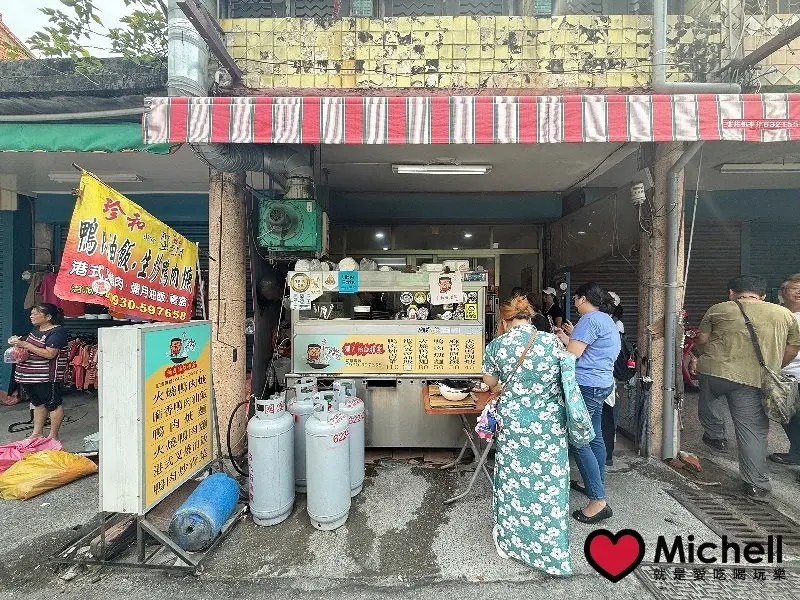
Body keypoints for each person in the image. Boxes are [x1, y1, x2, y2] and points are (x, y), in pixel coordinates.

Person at [482, 295, 586, 576]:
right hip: (549, 426)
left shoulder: (497, 346)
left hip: (515, 427)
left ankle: (511, 543)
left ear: (505, 320)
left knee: (513, 483)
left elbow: (489, 382)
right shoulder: (551, 341)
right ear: (529, 317)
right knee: (549, 485)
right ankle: (551, 550)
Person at [691, 275, 800, 502]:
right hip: (753, 380)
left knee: (708, 396)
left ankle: (715, 435)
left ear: (732, 293)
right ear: (763, 296)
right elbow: (793, 347)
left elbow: (702, 339)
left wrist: (701, 352)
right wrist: (775, 366)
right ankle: (756, 486)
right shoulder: (784, 315)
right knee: (752, 431)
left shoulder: (719, 308)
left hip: (716, 372)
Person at [554, 282, 620, 523]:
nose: (574, 303)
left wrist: (562, 343)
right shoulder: (605, 320)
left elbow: (573, 354)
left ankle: (598, 500)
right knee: (595, 436)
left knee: (579, 440)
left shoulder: (589, 320)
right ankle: (591, 481)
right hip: (602, 383)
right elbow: (590, 349)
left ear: (582, 299)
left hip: (587, 384)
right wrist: (568, 338)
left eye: (575, 298)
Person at [9, 303, 69, 440]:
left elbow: (50, 354)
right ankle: (37, 433)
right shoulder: (35, 330)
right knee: (38, 404)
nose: (32, 316)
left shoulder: (57, 332)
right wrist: (18, 344)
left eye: (35, 313)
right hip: (28, 376)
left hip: (46, 377)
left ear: (48, 317)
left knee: (53, 405)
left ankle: (53, 436)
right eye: (31, 313)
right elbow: (29, 347)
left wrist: (26, 345)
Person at [769, 274, 800, 469]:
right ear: (783, 292)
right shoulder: (776, 314)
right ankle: (796, 453)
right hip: (785, 376)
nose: (799, 292)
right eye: (794, 288)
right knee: (788, 416)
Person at [603, 292, 626, 466]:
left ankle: (607, 452)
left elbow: (614, 354)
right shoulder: (608, 322)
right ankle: (607, 452)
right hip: (607, 376)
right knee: (607, 413)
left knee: (609, 414)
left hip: (609, 375)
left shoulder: (615, 325)